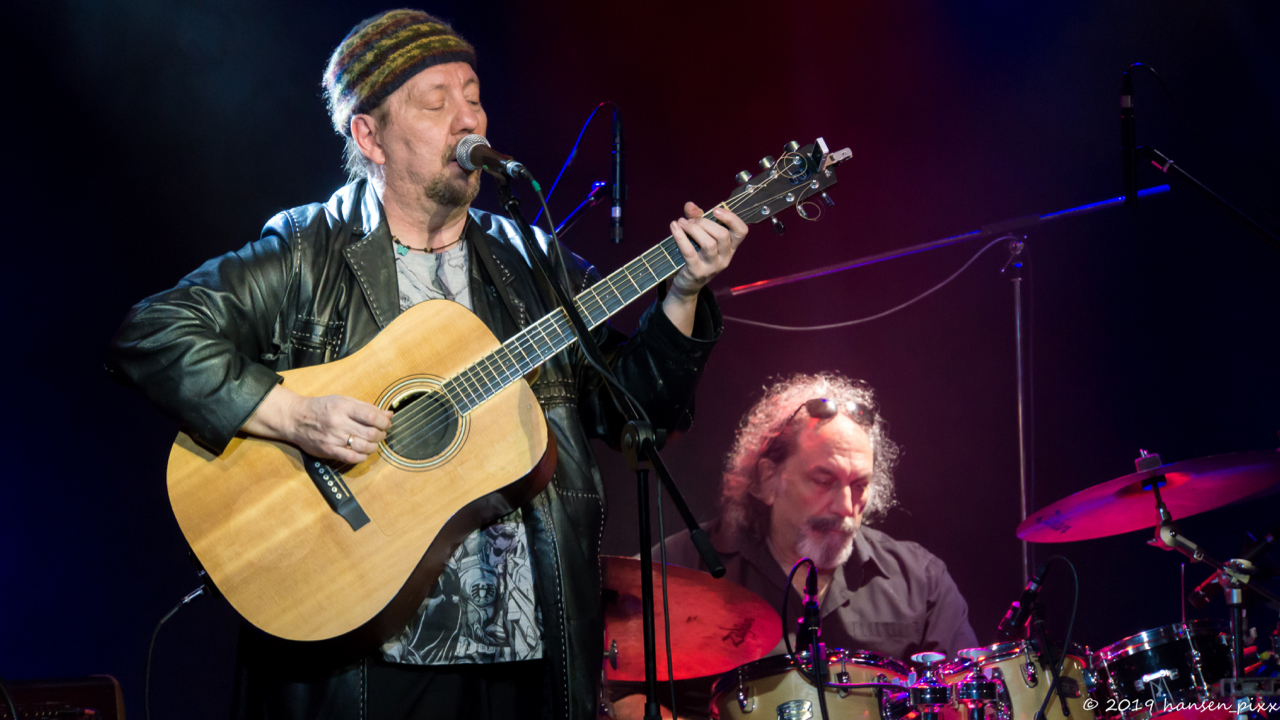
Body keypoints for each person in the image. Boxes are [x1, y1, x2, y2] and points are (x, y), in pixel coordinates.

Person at [106, 9, 747, 720]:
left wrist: (683, 295)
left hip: (525, 654)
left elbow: (639, 414)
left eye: (473, 97)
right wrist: (294, 416)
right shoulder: (307, 251)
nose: (467, 119)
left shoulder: (532, 263)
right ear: (369, 136)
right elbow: (152, 333)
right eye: (435, 103)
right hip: (369, 659)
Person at [630, 372, 977, 718]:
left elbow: (965, 699)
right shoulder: (677, 569)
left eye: (860, 485)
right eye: (823, 480)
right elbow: (617, 694)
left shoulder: (922, 583)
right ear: (767, 480)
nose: (845, 506)